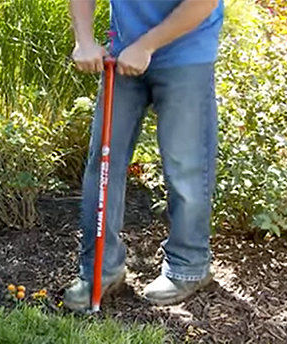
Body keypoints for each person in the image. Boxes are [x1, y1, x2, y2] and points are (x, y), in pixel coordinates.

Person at [65, 0, 224, 311]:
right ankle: (100, 270)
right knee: (103, 164)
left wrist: (147, 45)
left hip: (186, 55)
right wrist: (84, 39)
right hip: (123, 54)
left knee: (185, 166)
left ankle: (189, 267)